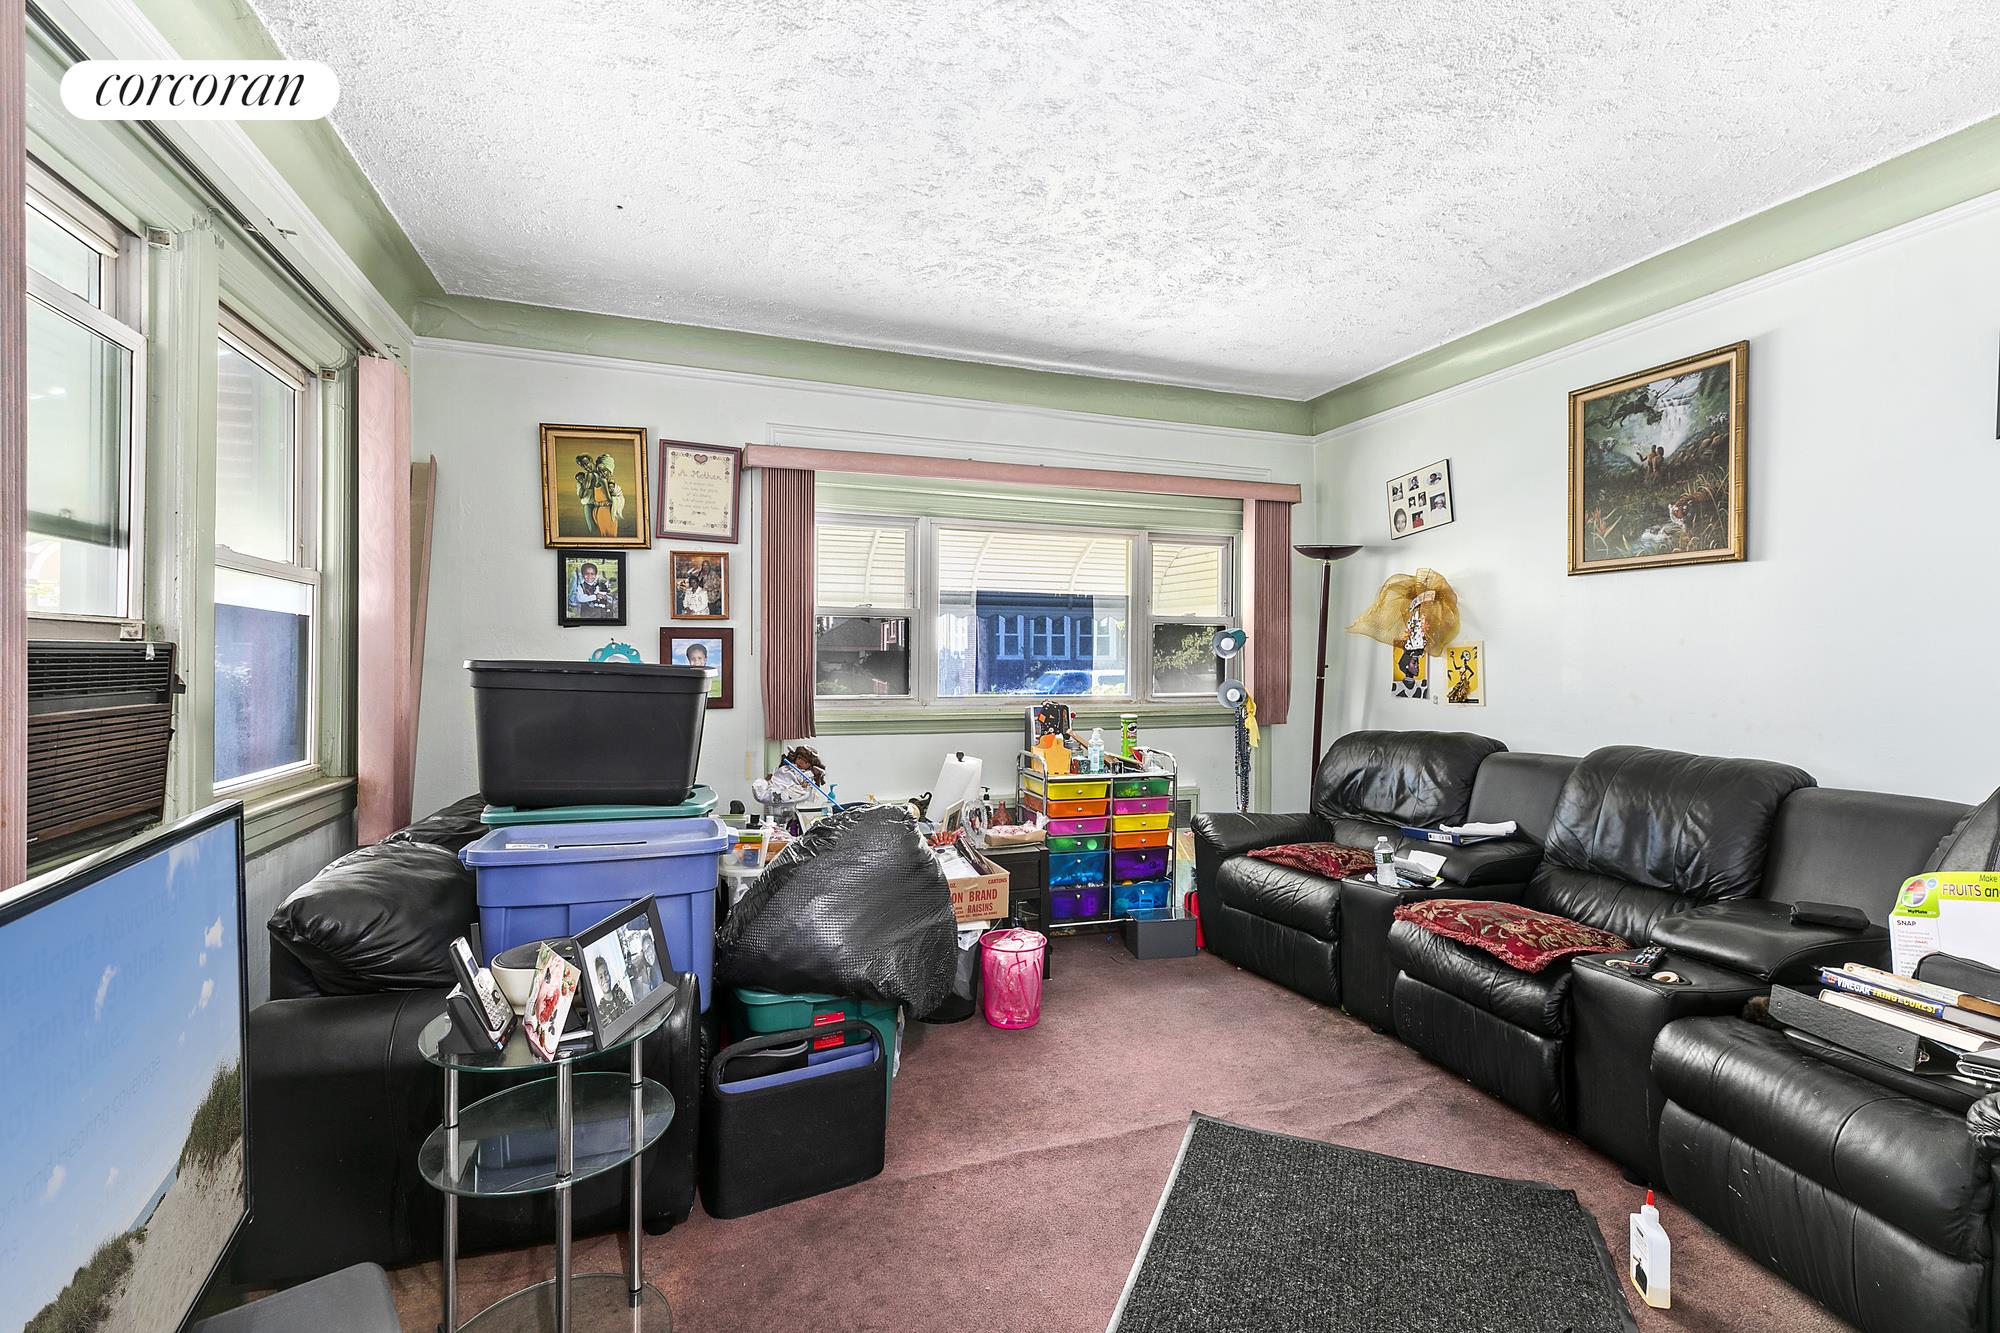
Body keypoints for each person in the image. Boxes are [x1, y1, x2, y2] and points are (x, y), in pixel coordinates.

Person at [593, 956, 633, 1023]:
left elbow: (632, 1010)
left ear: (609, 975)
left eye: (606, 973)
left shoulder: (618, 992)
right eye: (601, 977)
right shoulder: (600, 1010)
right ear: (598, 982)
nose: (604, 979)